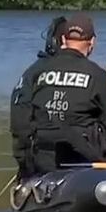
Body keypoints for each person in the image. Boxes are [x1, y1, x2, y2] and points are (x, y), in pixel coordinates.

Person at [21, 13, 106, 175]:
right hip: (80, 158)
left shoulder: (36, 70)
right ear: (92, 42)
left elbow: (22, 116)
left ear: (63, 40)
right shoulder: (97, 75)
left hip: (41, 156)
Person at [9, 16, 67, 179]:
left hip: (39, 160)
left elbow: (20, 120)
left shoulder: (32, 73)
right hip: (58, 162)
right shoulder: (86, 74)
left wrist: (24, 160)